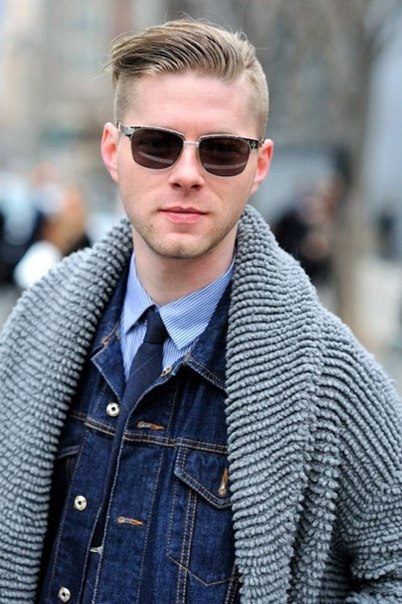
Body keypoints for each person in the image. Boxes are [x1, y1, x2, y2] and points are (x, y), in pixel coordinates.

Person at [0, 18, 402, 604]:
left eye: (221, 150)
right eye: (157, 144)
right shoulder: (37, 328)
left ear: (259, 165)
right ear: (113, 150)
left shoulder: (331, 378)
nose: (187, 175)